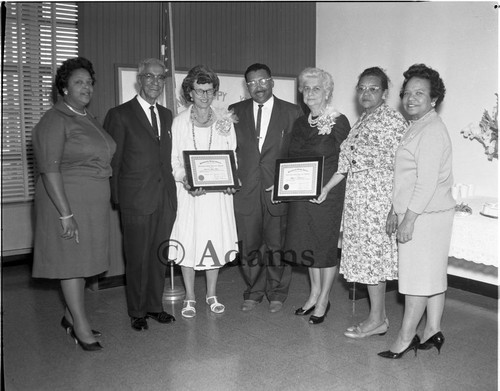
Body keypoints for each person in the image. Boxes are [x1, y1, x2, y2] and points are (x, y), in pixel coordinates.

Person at [32, 57, 116, 351]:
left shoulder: (86, 117)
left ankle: (69, 316)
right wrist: (66, 214)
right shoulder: (54, 120)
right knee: (72, 264)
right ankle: (80, 326)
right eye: (78, 82)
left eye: (89, 82)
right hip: (66, 201)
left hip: (91, 202)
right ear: (63, 88)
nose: (86, 87)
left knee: (84, 262)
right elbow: (49, 168)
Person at [321, 67, 407, 336]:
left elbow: (404, 168)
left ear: (384, 93)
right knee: (366, 261)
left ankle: (376, 320)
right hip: (358, 200)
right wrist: (325, 189)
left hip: (379, 201)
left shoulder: (392, 121)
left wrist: (396, 208)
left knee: (374, 262)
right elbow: (345, 165)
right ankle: (378, 318)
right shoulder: (361, 121)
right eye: (362, 88)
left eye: (373, 89)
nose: (366, 93)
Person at [378, 64, 454, 359]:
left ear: (434, 99)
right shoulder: (420, 125)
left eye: (419, 93)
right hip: (426, 213)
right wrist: (394, 211)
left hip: (425, 216)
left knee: (416, 280)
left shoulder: (432, 130)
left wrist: (408, 218)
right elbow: (407, 178)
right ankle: (433, 329)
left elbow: (425, 183)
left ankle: (405, 337)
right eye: (407, 93)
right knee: (432, 276)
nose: (411, 98)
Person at [103, 58, 177, 331]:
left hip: (164, 198)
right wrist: (119, 199)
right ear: (140, 80)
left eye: (160, 78)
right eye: (149, 77)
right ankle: (137, 311)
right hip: (135, 199)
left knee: (159, 254)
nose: (155, 82)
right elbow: (115, 162)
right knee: (136, 257)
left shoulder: (167, 115)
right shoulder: (119, 114)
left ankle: (155, 306)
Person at [229, 63, 302, 313]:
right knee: (249, 245)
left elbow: (298, 155)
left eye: (262, 81)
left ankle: (277, 292)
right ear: (246, 86)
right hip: (245, 191)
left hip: (278, 191)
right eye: (251, 83)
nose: (258, 87)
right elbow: (228, 151)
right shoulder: (233, 112)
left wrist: (286, 185)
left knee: (277, 245)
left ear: (272, 82)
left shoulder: (292, 112)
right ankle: (254, 290)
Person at [170, 65, 239, 318]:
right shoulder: (178, 122)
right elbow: (174, 163)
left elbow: (232, 157)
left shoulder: (224, 121)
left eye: (209, 91)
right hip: (190, 194)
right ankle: (190, 296)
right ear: (189, 92)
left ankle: (211, 294)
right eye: (199, 91)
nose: (204, 97)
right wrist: (186, 180)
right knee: (189, 240)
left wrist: (232, 179)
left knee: (213, 241)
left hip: (218, 195)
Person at [283, 67, 350, 324]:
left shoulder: (339, 121)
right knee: (308, 245)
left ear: (327, 92)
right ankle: (313, 294)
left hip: (327, 193)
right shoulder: (301, 122)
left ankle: (324, 299)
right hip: (303, 193)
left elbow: (347, 161)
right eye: (306, 88)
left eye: (316, 88)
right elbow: (292, 160)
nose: (310, 93)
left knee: (323, 247)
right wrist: (282, 185)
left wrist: (326, 188)